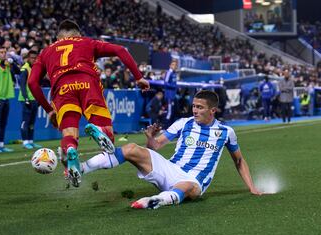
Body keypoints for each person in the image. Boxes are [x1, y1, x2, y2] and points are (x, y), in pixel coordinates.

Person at [83, 90, 262, 209]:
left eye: (200, 107)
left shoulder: (226, 132)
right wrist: (151, 139)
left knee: (189, 187)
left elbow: (238, 160)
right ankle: (82, 168)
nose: (195, 110)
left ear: (212, 110)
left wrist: (251, 188)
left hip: (193, 180)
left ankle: (155, 201)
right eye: (194, 106)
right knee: (130, 148)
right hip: (170, 169)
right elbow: (156, 147)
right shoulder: (183, 123)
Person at [28, 19, 150, 187]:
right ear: (77, 34)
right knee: (109, 142)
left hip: (62, 90)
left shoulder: (46, 52)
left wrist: (49, 110)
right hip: (88, 84)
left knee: (69, 134)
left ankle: (71, 149)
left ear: (58, 37)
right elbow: (121, 50)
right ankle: (98, 130)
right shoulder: (86, 42)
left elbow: (32, 83)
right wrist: (139, 77)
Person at [0, 46, 20, 153]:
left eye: (5, 52)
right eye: (1, 52)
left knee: (3, 123)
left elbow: (19, 71)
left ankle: (1, 144)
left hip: (6, 98)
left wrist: (12, 63)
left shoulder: (7, 65)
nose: (3, 54)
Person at [18, 50, 42, 149]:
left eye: (35, 58)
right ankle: (25, 142)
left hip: (34, 99)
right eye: (32, 58)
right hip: (26, 99)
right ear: (28, 58)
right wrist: (26, 98)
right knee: (25, 121)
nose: (34, 60)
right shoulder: (24, 69)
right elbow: (22, 85)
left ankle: (31, 141)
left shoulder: (36, 69)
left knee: (32, 122)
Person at [164, 59, 178, 125]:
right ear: (170, 65)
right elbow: (166, 83)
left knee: (172, 111)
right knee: (169, 112)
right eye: (173, 65)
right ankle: (165, 127)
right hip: (169, 95)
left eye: (175, 65)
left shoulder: (174, 73)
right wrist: (174, 86)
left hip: (173, 95)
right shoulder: (169, 72)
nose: (174, 66)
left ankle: (169, 127)